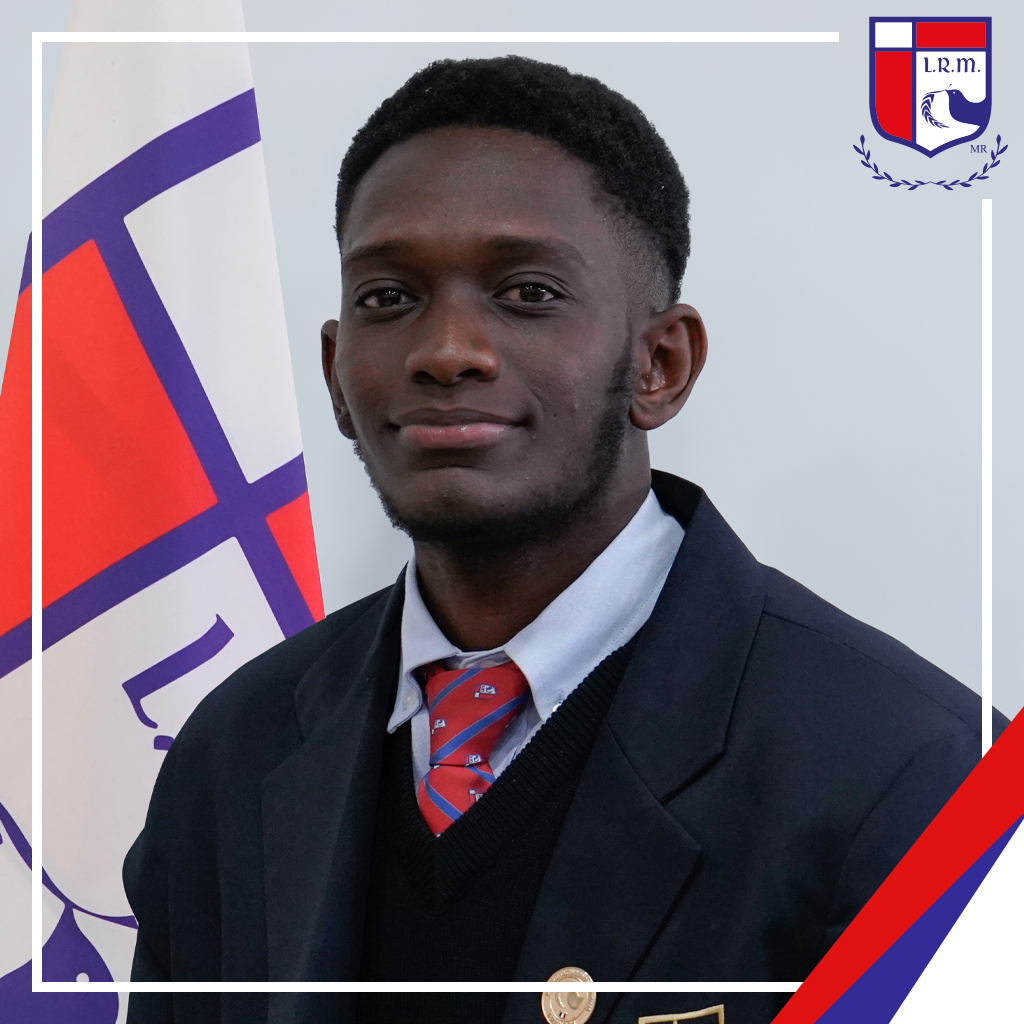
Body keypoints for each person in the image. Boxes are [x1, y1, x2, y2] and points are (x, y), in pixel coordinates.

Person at [123, 56, 1004, 1024]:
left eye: (528, 292)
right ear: (336, 374)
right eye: (388, 297)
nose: (446, 350)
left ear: (660, 364)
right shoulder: (236, 749)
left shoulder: (922, 775)